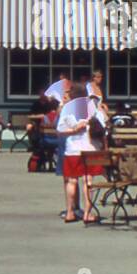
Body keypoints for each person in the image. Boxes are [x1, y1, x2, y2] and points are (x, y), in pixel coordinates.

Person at [55, 94, 99, 223]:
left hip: (72, 149)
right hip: (89, 148)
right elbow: (103, 128)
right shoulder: (93, 109)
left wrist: (74, 130)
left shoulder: (68, 111)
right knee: (88, 182)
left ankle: (70, 212)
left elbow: (60, 130)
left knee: (71, 181)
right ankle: (87, 213)